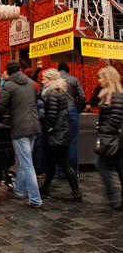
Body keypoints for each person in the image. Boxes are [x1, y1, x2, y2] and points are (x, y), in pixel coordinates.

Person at [0, 61, 42, 208]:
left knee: (27, 164)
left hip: (21, 127)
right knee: (24, 160)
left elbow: (2, 105)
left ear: (8, 72)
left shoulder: (8, 85)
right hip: (34, 124)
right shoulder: (30, 83)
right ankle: (20, 190)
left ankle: (35, 199)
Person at [38, 69, 82, 201]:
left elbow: (51, 115)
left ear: (51, 80)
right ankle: (46, 187)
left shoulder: (51, 93)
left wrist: (46, 128)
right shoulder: (59, 91)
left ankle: (76, 193)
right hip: (61, 130)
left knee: (63, 163)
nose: (42, 80)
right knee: (52, 161)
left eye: (44, 78)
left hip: (56, 132)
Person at [94, 66, 123, 210]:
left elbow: (116, 116)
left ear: (108, 78)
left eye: (101, 77)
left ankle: (111, 194)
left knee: (101, 164)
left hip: (112, 137)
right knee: (119, 166)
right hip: (113, 137)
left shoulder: (115, 95)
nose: (99, 80)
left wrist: (105, 130)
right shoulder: (108, 94)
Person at [57, 62, 86, 176]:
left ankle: (60, 170)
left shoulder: (55, 80)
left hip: (60, 110)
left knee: (60, 140)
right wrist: (78, 108)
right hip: (72, 108)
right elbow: (82, 96)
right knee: (72, 141)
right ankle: (74, 170)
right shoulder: (74, 79)